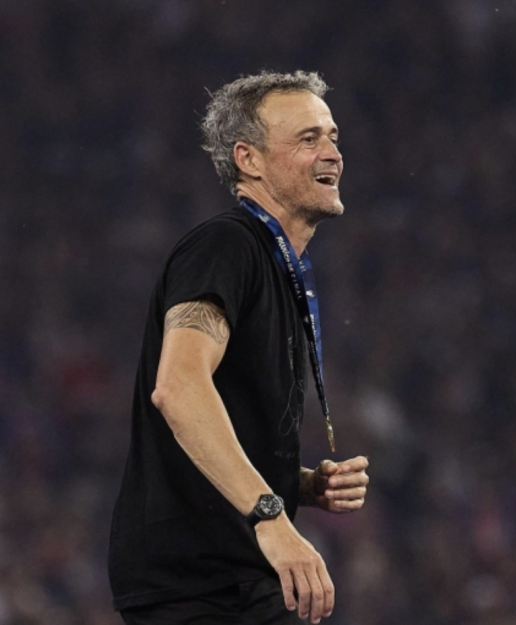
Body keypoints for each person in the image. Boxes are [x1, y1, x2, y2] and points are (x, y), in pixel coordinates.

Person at [108, 70, 369, 625]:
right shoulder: (226, 246)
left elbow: (220, 420)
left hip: (238, 577)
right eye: (308, 139)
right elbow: (178, 388)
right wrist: (271, 515)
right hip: (199, 582)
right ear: (248, 159)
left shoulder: (278, 268)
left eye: (333, 137)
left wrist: (300, 484)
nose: (332, 153)